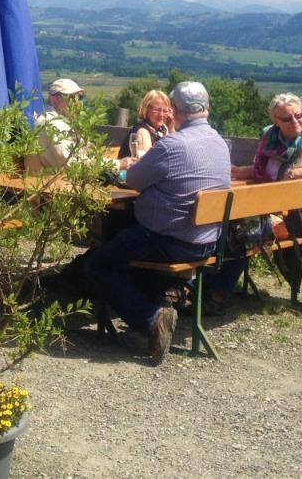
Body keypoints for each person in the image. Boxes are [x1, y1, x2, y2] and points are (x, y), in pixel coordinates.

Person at [84, 80, 231, 364]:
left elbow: (136, 180)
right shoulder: (220, 144)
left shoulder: (172, 145)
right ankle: (148, 306)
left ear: (174, 110)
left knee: (98, 263)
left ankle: (151, 319)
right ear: (207, 108)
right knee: (123, 244)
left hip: (167, 241)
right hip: (207, 242)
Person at [232, 92, 302, 246]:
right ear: (276, 121)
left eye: (298, 115)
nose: (295, 121)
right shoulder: (269, 138)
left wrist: (296, 173)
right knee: (238, 228)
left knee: (242, 231)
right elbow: (262, 170)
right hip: (270, 206)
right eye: (287, 119)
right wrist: (238, 171)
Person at [26, 77, 85, 172]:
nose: (77, 103)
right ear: (54, 99)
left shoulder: (59, 121)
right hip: (53, 183)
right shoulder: (51, 123)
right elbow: (71, 163)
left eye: (80, 97)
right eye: (72, 98)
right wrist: (115, 165)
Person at [117, 89, 174, 160]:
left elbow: (174, 152)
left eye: (165, 111)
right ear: (146, 109)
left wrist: (171, 127)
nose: (161, 115)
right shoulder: (142, 132)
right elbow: (147, 163)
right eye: (157, 110)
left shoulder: (162, 129)